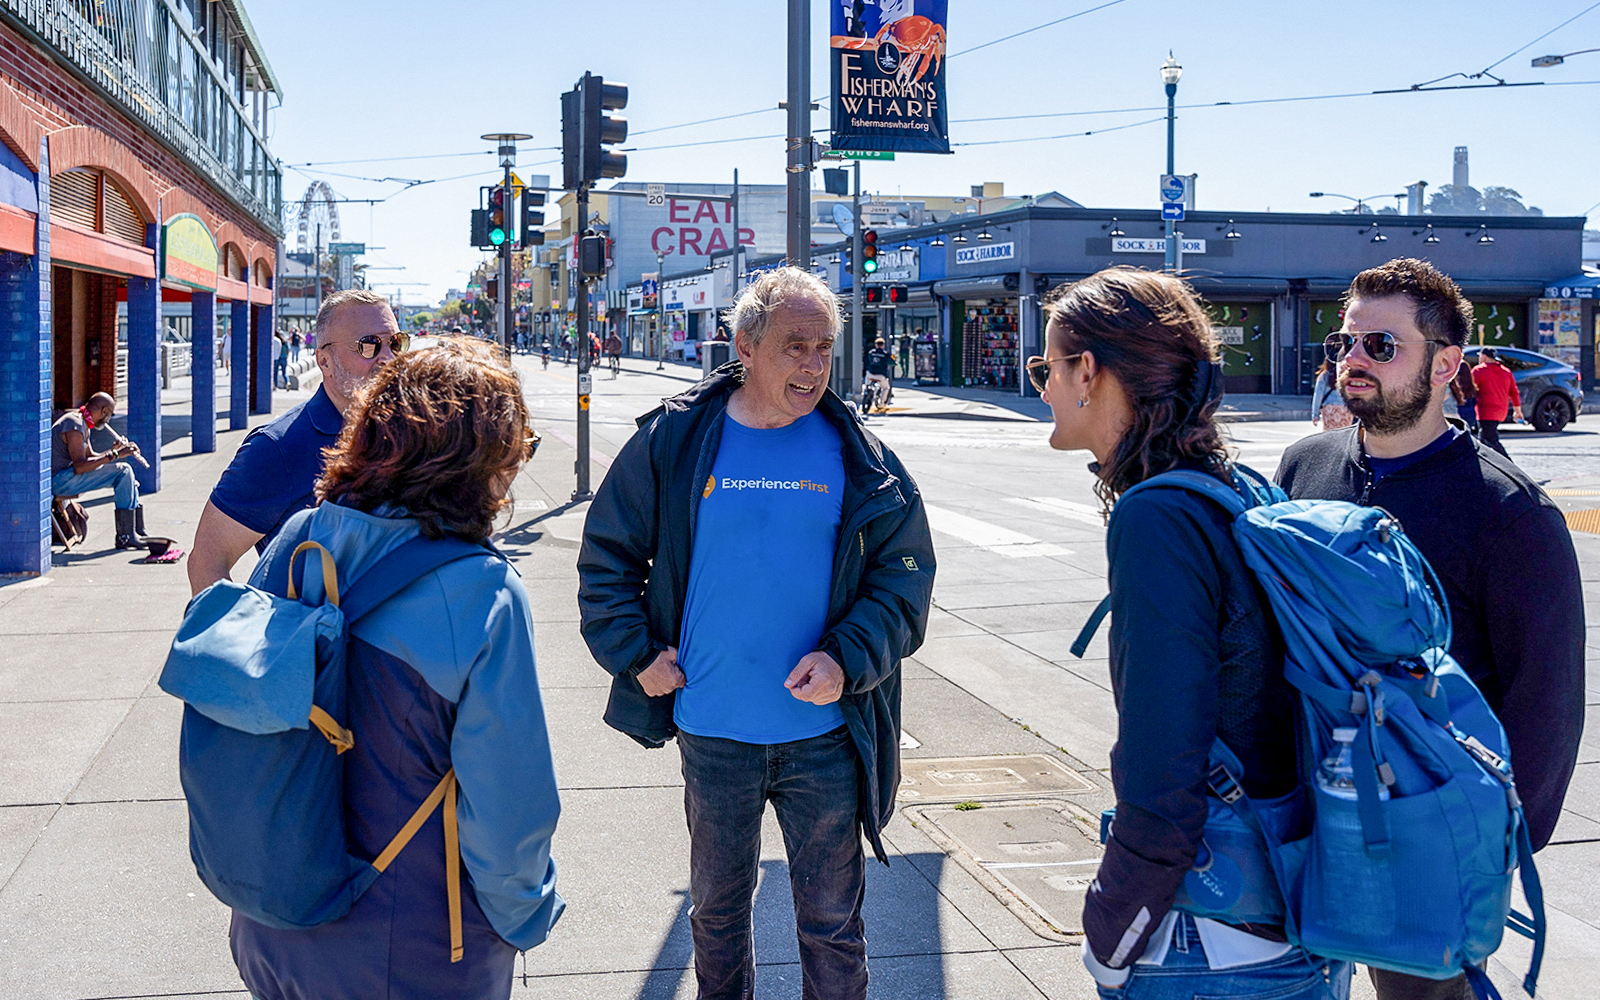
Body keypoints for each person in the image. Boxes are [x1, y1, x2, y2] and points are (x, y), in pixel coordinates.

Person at [577, 266, 935, 1000]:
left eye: (824, 348)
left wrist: (845, 659)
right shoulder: (677, 440)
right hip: (714, 734)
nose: (811, 365)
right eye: (794, 345)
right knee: (715, 914)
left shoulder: (860, 455)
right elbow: (606, 557)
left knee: (833, 924)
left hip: (826, 737)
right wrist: (635, 656)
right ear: (745, 345)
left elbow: (904, 579)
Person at [1028, 267, 1352, 1000]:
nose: (1043, 386)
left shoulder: (1157, 517)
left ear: (1090, 372)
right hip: (1296, 913)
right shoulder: (1240, 488)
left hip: (1206, 942)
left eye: (1048, 366)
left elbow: (1162, 755)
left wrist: (1113, 930)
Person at [1275, 258, 1583, 1000]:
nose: (1351, 359)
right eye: (1343, 343)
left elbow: (1548, 701)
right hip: (1299, 807)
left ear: (1445, 365)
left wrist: (1496, 845)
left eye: (1380, 346)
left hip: (1422, 829)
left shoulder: (1510, 513)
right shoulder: (1303, 466)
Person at [229, 337, 563, 1000]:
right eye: (516, 444)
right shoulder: (482, 591)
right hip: (410, 944)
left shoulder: (299, 538)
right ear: (479, 458)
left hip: (271, 919)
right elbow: (509, 807)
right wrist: (526, 916)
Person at [189, 290, 407, 595]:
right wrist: (235, 636)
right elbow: (207, 560)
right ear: (325, 361)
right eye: (369, 345)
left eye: (395, 343)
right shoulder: (278, 447)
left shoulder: (410, 432)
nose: (388, 357)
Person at [50, 392, 152, 549]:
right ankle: (126, 535)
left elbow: (91, 457)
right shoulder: (74, 424)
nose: (108, 419)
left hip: (66, 476)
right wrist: (114, 455)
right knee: (123, 472)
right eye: (110, 414)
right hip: (58, 481)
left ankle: (136, 530)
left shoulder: (82, 422)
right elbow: (80, 466)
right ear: (104, 411)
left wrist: (114, 450)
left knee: (128, 476)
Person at [1471, 347, 1521, 458]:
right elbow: (1514, 392)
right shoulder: (1506, 371)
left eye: (1480, 355)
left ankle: (1507, 464)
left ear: (1484, 356)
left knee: (1489, 439)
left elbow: (1469, 388)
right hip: (1500, 411)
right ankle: (1484, 462)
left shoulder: (1479, 371)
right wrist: (1517, 411)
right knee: (1484, 438)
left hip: (1485, 411)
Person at [1309, 358, 1351, 429]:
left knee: (1330, 436)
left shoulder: (1324, 376)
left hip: (1329, 409)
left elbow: (1318, 396)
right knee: (1344, 435)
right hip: (1345, 409)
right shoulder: (1345, 375)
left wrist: (1315, 415)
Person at [1450, 357, 1479, 435]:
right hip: (1471, 414)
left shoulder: (1454, 386)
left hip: (1458, 413)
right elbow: (1474, 401)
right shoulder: (1471, 386)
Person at [864, 335, 894, 405]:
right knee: (886, 388)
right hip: (881, 375)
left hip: (870, 373)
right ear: (883, 345)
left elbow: (868, 360)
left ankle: (867, 387)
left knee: (867, 375)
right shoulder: (885, 354)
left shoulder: (871, 352)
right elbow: (892, 361)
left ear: (876, 345)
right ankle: (882, 402)